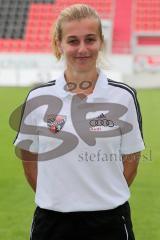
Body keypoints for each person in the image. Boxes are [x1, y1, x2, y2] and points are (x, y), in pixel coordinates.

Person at [14, 4, 145, 240]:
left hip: (109, 222)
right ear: (59, 44)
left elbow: (132, 158)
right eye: (73, 41)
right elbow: (28, 155)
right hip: (52, 222)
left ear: (101, 42)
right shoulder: (38, 98)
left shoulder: (124, 96)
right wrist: (55, 197)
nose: (82, 48)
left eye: (90, 39)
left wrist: (103, 196)